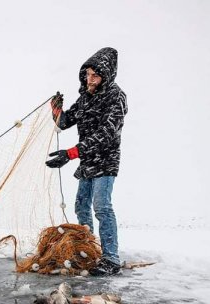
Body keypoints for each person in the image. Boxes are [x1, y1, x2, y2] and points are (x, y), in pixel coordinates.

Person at [46, 47, 128, 276]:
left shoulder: (116, 97)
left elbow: (107, 133)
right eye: (87, 74)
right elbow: (65, 122)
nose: (89, 79)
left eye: (95, 75)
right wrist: (56, 109)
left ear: (107, 75)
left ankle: (111, 259)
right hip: (87, 161)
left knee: (102, 206)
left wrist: (70, 154)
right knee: (81, 206)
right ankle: (88, 250)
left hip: (106, 161)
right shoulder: (85, 98)